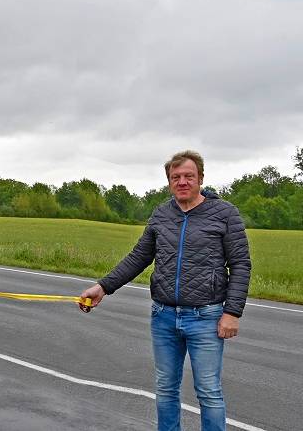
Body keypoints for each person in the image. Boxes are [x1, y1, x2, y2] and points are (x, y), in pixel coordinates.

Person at [80, 150, 251, 431]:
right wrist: (103, 287)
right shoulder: (162, 214)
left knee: (208, 391)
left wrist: (232, 312)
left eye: (188, 176)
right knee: (166, 388)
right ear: (169, 181)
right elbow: (139, 257)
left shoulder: (224, 214)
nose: (182, 181)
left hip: (205, 317)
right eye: (176, 177)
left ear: (201, 178)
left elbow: (241, 265)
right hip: (164, 316)